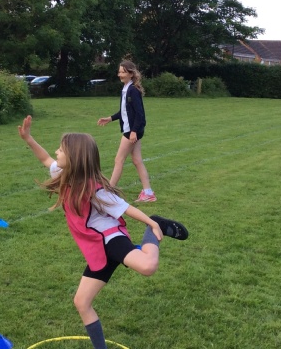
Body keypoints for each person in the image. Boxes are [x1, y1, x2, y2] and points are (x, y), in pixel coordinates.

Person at [18, 115, 189, 349]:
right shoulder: (63, 175)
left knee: (148, 266)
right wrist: (28, 139)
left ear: (75, 157)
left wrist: (152, 222)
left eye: (61, 149)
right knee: (82, 302)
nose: (56, 152)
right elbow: (45, 158)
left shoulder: (95, 190)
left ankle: (156, 227)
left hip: (110, 239)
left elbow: (125, 208)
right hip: (96, 248)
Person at [97, 60, 156, 202]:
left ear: (131, 74)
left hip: (131, 131)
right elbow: (124, 111)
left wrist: (134, 131)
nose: (120, 74)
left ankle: (109, 192)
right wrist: (110, 118)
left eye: (123, 72)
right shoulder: (126, 89)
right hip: (133, 130)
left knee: (119, 160)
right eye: (119, 72)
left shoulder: (133, 90)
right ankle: (148, 193)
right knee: (137, 160)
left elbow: (140, 114)